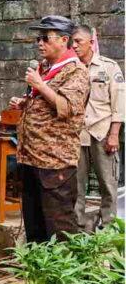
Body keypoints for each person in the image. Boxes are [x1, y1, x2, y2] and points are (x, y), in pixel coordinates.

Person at [9, 16, 90, 243]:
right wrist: (25, 102)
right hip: (32, 156)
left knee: (59, 224)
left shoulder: (75, 71)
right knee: (34, 222)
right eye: (38, 38)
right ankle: (39, 271)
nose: (40, 43)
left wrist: (40, 85)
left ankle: (67, 274)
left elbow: (66, 108)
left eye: (45, 38)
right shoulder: (45, 68)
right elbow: (44, 100)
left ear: (64, 40)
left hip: (55, 161)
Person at [72, 25, 124, 230]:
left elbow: (119, 103)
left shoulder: (109, 67)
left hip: (102, 134)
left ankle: (109, 229)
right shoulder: (71, 68)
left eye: (79, 42)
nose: (74, 46)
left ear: (91, 42)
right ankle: (80, 228)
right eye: (72, 42)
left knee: (108, 185)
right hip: (77, 134)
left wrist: (114, 135)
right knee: (76, 186)